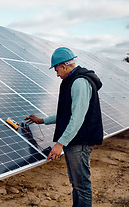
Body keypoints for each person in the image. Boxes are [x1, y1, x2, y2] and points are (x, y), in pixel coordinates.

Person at [24, 47, 103, 207]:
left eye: (56, 69)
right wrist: (41, 120)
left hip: (79, 142)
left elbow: (77, 118)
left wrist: (60, 143)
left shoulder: (80, 82)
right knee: (77, 185)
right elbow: (66, 114)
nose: (57, 73)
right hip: (76, 141)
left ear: (64, 66)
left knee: (81, 186)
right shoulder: (73, 81)